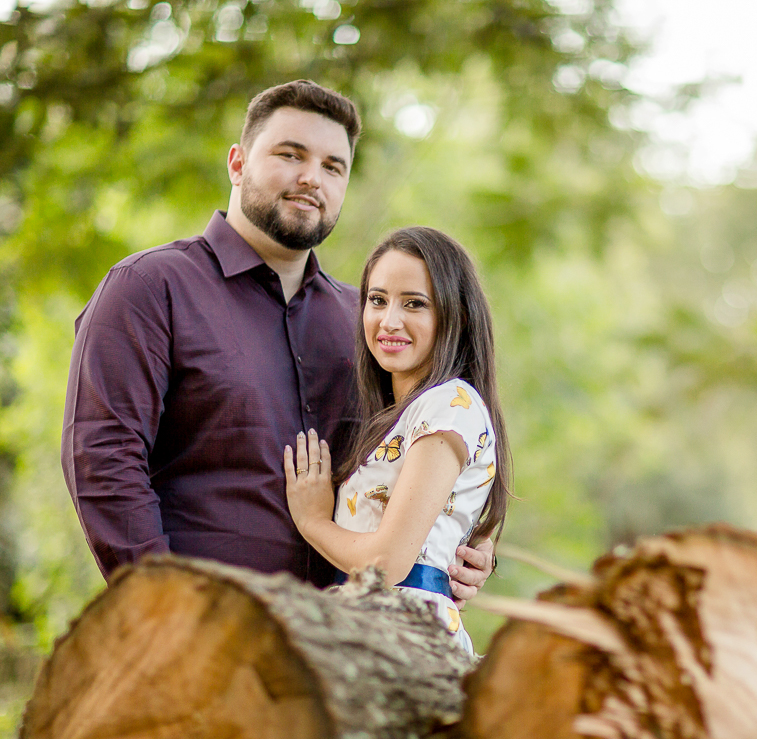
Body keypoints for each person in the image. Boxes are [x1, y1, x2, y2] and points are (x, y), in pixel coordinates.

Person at [61, 80, 494, 599]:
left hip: (343, 647)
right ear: (238, 164)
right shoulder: (150, 289)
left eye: (334, 167)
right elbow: (104, 461)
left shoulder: (367, 323)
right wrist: (167, 613)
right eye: (291, 155)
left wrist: (468, 547)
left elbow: (422, 452)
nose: (312, 178)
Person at [283, 227, 512, 652]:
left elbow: (388, 564)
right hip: (367, 631)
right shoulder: (405, 413)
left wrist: (313, 521)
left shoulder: (449, 404)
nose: (389, 321)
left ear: (457, 316)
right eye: (377, 300)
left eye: (414, 304)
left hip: (402, 642)